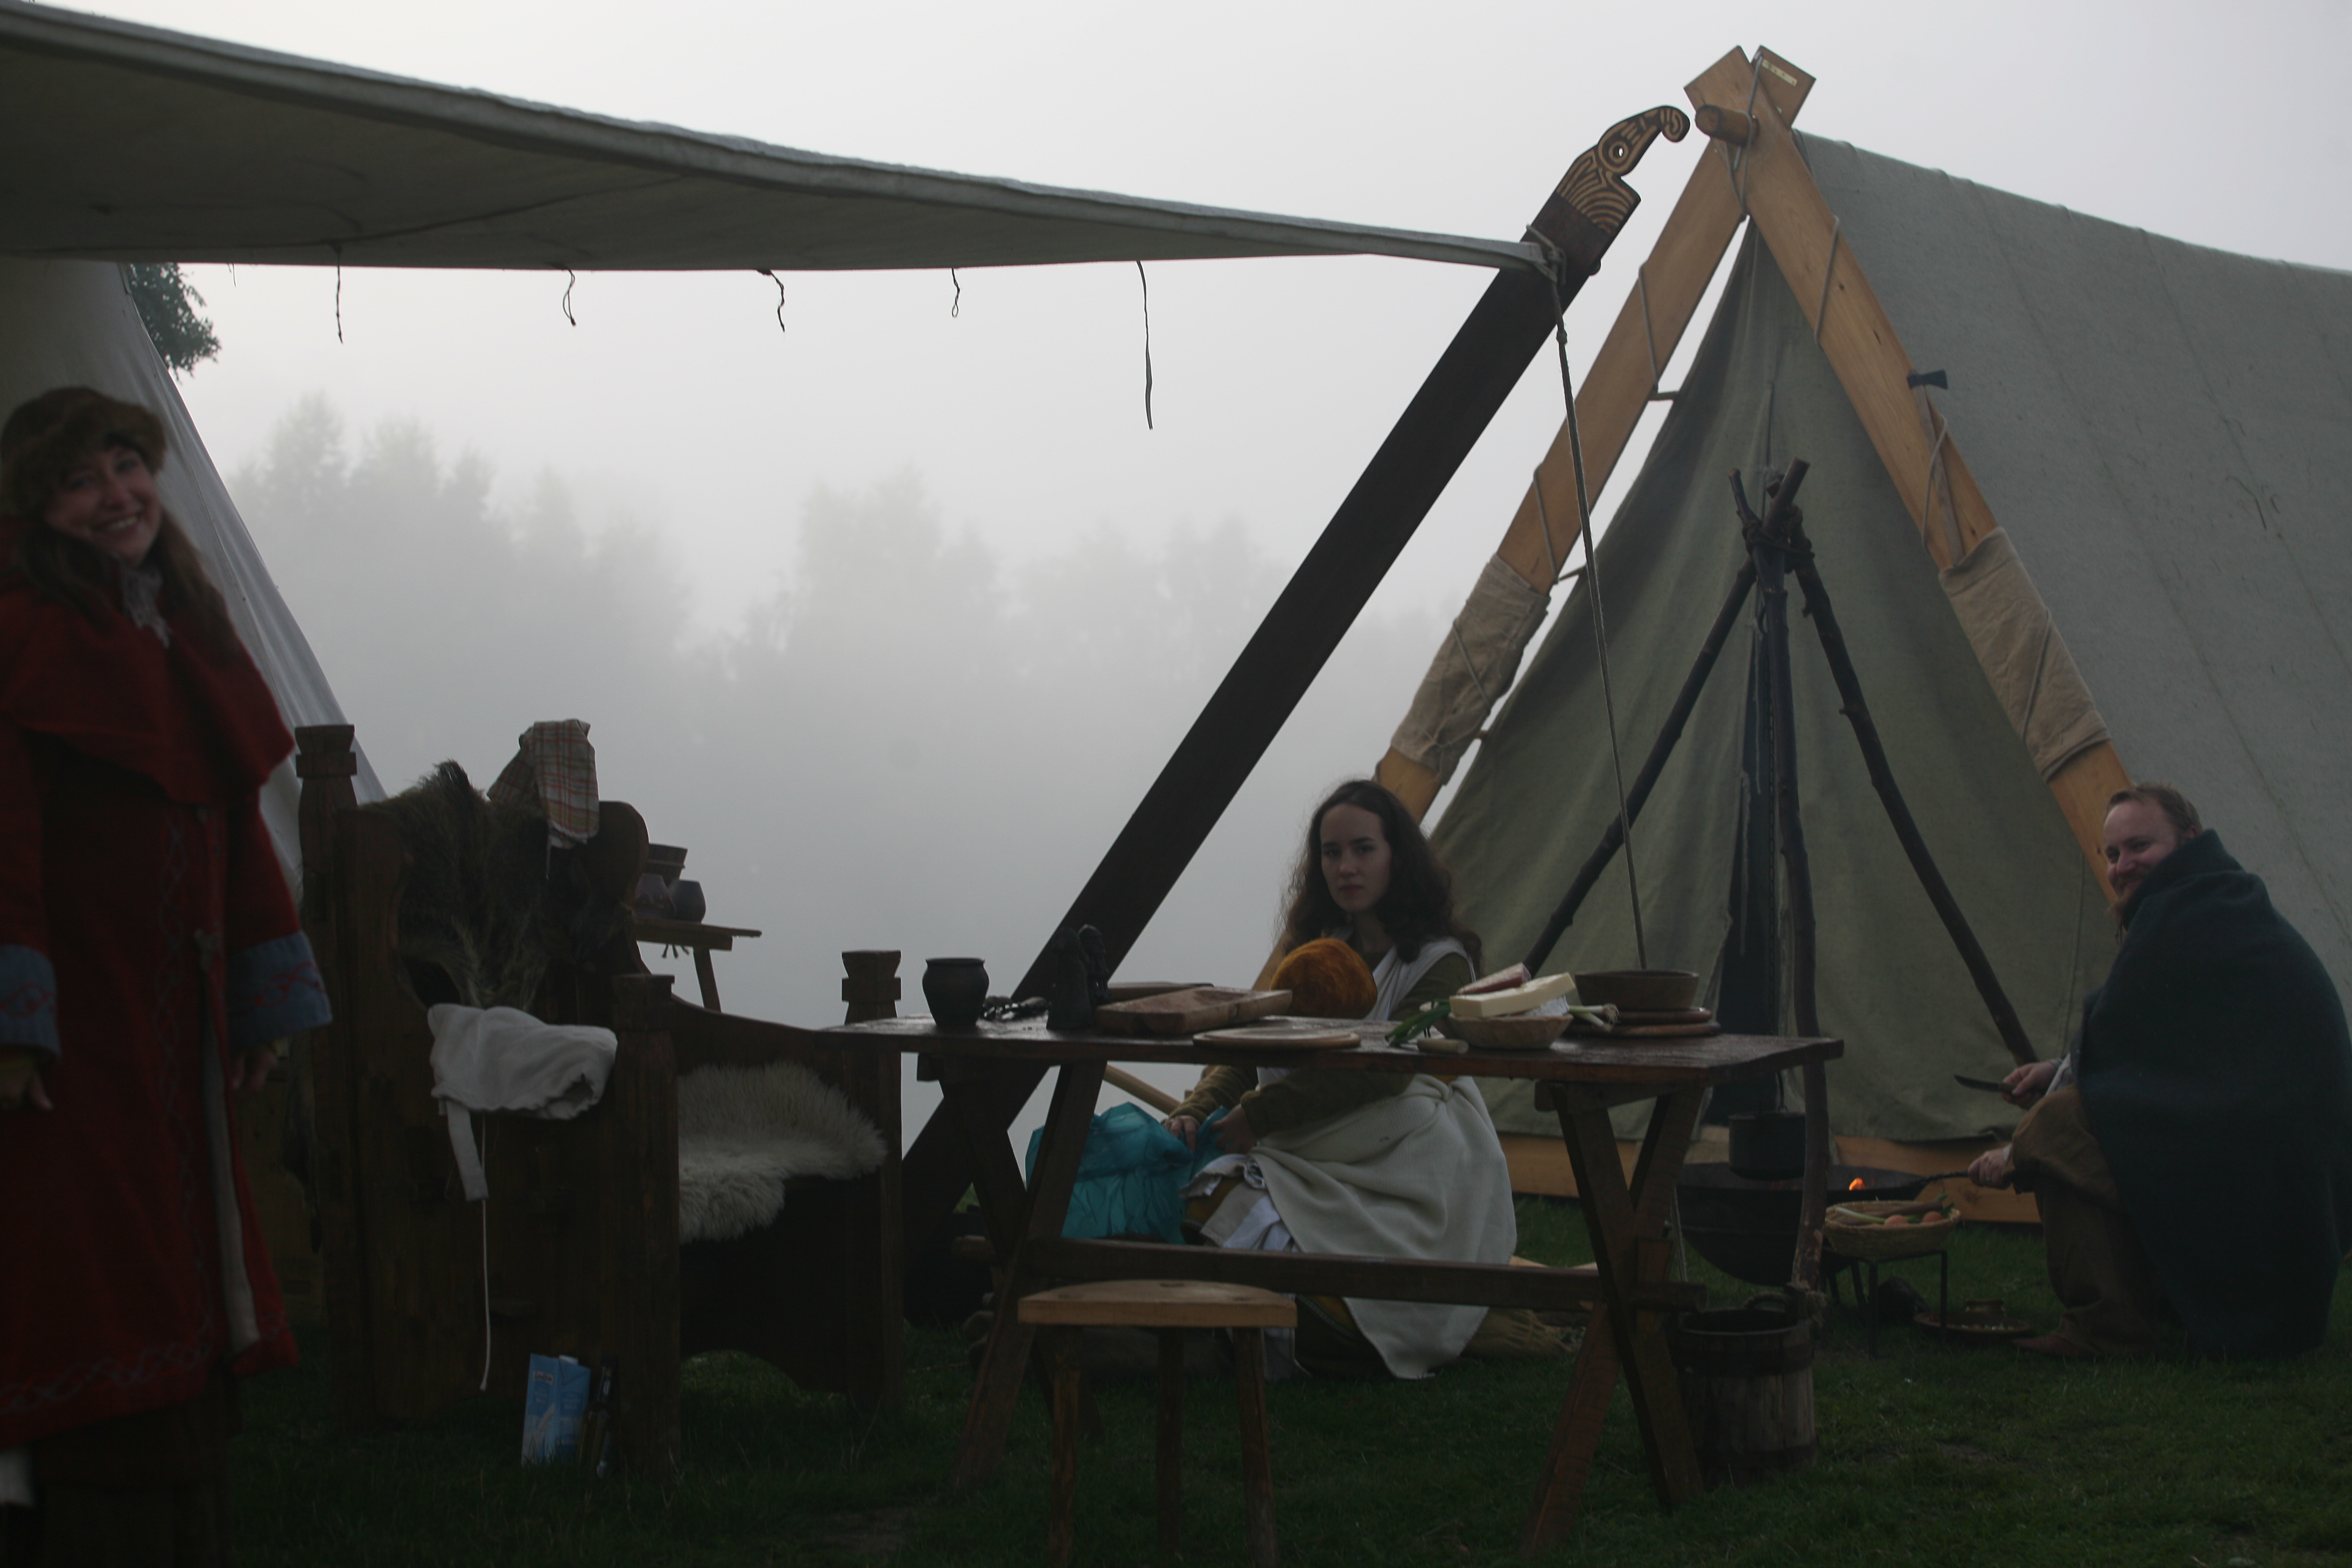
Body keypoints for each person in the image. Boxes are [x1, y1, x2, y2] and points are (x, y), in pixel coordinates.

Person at [0, 388, 332, 1562]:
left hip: (175, 1033)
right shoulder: (25, 640)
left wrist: (258, 1002)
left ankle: (182, 1521)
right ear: (36, 507)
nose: (115, 496)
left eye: (128, 466)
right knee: (86, 1268)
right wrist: (14, 1023)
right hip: (69, 1036)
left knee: (180, 1255)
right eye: (80, 480)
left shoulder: (183, 627)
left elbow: (235, 826)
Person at [1966, 783, 2352, 1359]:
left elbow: (2119, 1031)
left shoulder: (2187, 910)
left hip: (2263, 1154)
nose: (2123, 865)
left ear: (2189, 840)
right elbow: (2157, 1041)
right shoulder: (2218, 900)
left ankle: (2105, 1330)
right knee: (2083, 1112)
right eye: (2113, 853)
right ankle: (2170, 1299)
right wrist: (2057, 1069)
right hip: (2274, 1147)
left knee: (2056, 1128)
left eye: (2140, 846)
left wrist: (2016, 1150)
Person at [1161, 779, 1519, 1378]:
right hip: (1318, 1144)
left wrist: (1264, 1113)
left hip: (1405, 1156)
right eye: (1332, 853)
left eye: (1363, 849)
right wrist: (1198, 1108)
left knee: (1227, 1203)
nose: (1345, 867)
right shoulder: (1320, 950)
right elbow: (1254, 1044)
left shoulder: (1440, 962)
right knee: (1201, 1197)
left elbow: (1392, 1069)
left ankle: (1333, 1334)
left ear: (1397, 856)